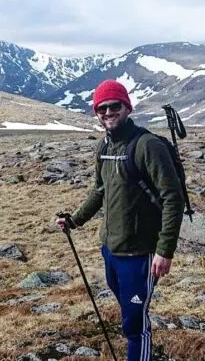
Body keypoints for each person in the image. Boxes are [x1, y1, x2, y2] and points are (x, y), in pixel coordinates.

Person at [56, 79, 185, 361]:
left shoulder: (148, 145)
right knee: (129, 312)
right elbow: (100, 190)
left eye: (114, 106)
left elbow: (173, 199)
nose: (108, 112)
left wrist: (164, 251)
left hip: (141, 253)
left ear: (127, 107)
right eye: (101, 108)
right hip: (111, 250)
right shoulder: (104, 146)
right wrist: (75, 221)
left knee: (135, 324)